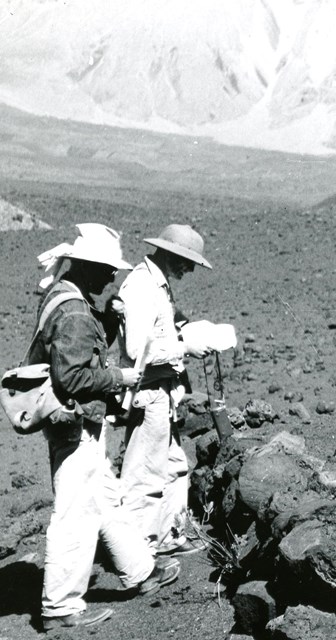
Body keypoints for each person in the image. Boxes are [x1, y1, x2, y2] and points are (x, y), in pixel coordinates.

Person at [29, 224, 181, 631]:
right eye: (108, 270)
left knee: (102, 498)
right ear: (90, 267)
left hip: (76, 422)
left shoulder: (66, 298)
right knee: (75, 512)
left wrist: (109, 320)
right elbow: (74, 377)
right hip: (75, 423)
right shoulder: (75, 312)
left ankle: (141, 571)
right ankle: (60, 606)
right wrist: (119, 379)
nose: (113, 277)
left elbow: (82, 350)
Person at [117, 224, 212, 556]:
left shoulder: (158, 284)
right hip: (149, 392)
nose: (189, 269)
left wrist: (187, 330)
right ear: (171, 254)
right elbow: (135, 351)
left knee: (173, 467)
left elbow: (163, 329)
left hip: (163, 392)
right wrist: (184, 347)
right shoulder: (142, 287)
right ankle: (139, 554)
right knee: (144, 476)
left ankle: (170, 536)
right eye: (187, 262)